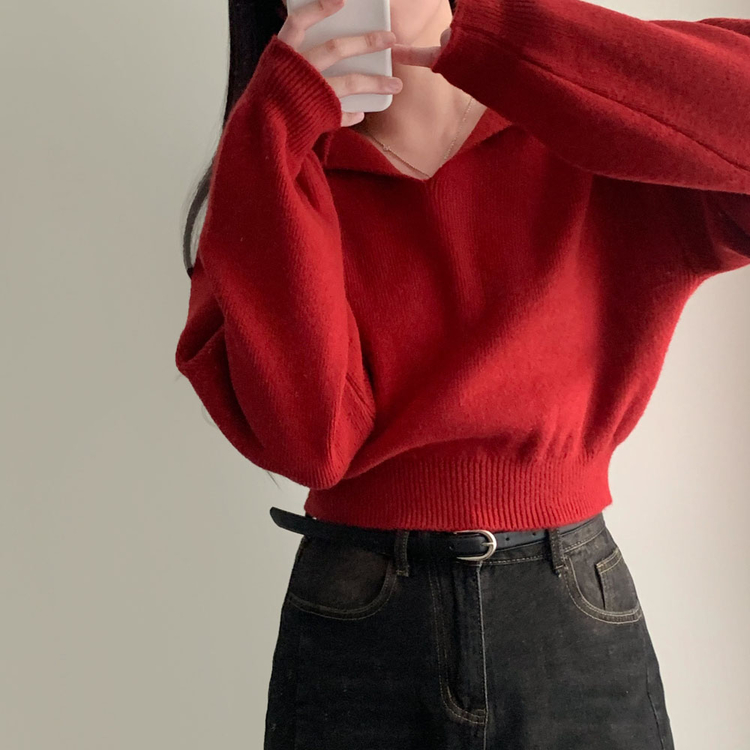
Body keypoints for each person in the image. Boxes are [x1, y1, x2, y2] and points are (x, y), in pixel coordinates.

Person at [174, 0, 750, 747]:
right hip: (357, 621)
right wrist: (277, 127)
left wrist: (492, 34)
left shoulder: (588, 121)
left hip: (567, 616)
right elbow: (311, 441)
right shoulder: (275, 174)